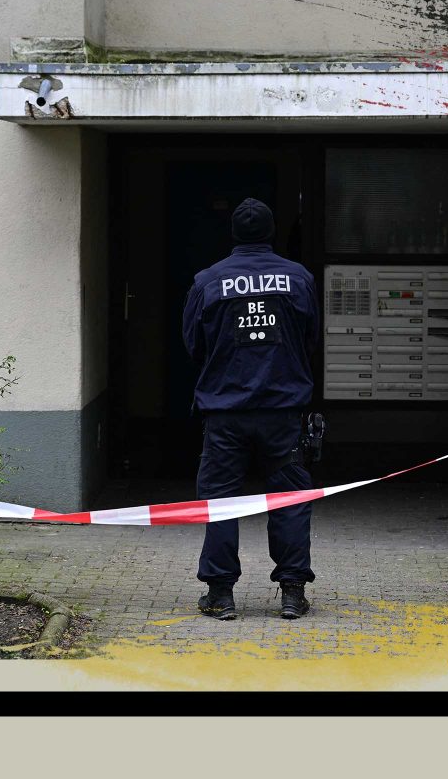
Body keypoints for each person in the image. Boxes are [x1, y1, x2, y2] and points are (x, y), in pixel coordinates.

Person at [180, 197, 318, 620]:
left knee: (220, 501)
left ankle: (221, 595)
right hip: (283, 412)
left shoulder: (209, 281)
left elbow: (192, 345)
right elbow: (310, 337)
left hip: (225, 413)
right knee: (290, 499)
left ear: (235, 235)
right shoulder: (298, 279)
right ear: (272, 232)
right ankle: (292, 593)